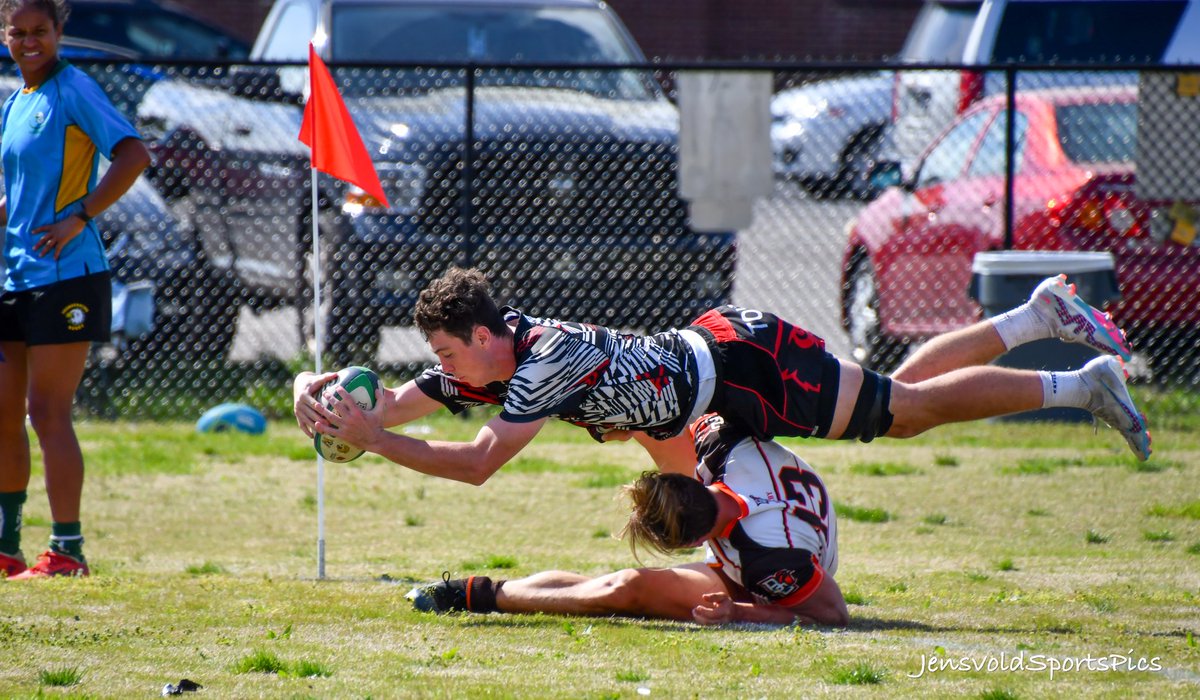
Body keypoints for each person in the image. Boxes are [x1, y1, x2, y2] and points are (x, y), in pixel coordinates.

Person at [293, 266, 1150, 487]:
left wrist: (374, 440)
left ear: (480, 335)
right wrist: (322, 391)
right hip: (705, 384)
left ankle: (1079, 381)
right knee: (894, 397)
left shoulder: (540, 361)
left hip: (746, 369)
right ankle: (1035, 319)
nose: (439, 369)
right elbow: (395, 398)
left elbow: (477, 463)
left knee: (907, 413)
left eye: (447, 352)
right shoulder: (493, 356)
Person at [407, 414, 848, 626]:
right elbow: (674, 415)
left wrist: (742, 612)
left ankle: (474, 595)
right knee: (622, 583)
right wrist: (626, 420)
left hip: (783, 568)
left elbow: (831, 614)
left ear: (684, 546)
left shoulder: (769, 560)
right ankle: (474, 591)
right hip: (770, 530)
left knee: (627, 589)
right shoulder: (721, 444)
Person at [0, 0, 151, 579]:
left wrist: (80, 215)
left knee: (48, 413)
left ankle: (67, 551)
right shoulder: (17, 102)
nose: (30, 41)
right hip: (15, 277)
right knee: (4, 414)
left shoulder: (74, 88)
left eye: (42, 31)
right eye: (20, 32)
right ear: (5, 35)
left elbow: (134, 154)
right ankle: (7, 547)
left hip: (68, 275)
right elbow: (22, 192)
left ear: (59, 32)